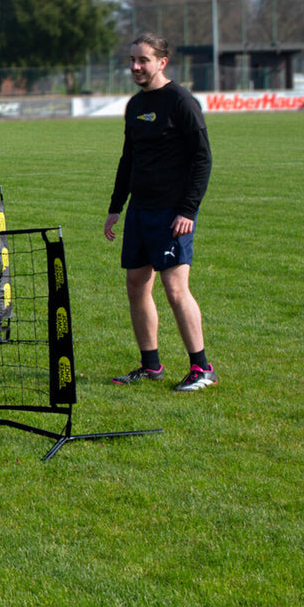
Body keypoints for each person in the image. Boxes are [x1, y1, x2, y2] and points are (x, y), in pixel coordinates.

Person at [103, 33, 216, 391]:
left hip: (172, 214)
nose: (135, 67)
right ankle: (150, 365)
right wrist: (116, 208)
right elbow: (128, 159)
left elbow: (203, 158)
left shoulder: (181, 101)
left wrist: (188, 210)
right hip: (140, 211)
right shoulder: (135, 105)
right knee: (136, 286)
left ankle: (202, 369)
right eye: (132, 60)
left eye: (143, 60)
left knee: (175, 290)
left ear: (162, 62)